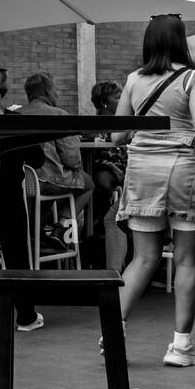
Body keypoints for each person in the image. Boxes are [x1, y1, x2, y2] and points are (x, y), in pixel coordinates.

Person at [113, 15, 195, 366]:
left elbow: (117, 134)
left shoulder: (133, 79)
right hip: (184, 169)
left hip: (142, 170)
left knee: (142, 258)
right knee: (188, 260)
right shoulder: (193, 77)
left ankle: (113, 331)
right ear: (180, 40)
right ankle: (181, 346)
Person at [0, 69, 42, 330]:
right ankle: (26, 317)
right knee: (17, 257)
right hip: (9, 200)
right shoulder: (14, 120)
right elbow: (37, 159)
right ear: (5, 91)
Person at [19, 73, 94, 244]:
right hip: (48, 181)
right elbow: (71, 159)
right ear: (47, 91)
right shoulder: (58, 115)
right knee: (88, 184)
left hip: (20, 182)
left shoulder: (15, 114)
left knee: (39, 201)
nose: (58, 94)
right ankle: (60, 229)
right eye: (55, 89)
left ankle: (36, 236)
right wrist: (77, 167)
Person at [89, 80, 129, 273]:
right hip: (104, 173)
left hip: (121, 174)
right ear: (104, 102)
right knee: (102, 183)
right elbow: (97, 155)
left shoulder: (121, 122)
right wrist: (113, 167)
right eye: (117, 97)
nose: (121, 100)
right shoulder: (98, 125)